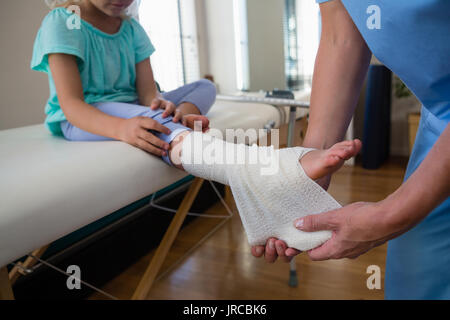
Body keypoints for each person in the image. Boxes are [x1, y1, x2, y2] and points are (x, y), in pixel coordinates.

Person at [251, 0, 450, 299]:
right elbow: (340, 34)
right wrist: (308, 171)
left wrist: (389, 216)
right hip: (440, 123)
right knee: (414, 278)